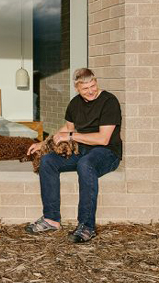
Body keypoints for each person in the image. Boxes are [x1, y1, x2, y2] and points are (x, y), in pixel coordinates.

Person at [25, 67, 122, 243]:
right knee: (48, 161)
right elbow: (67, 129)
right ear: (77, 88)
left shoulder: (109, 101)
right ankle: (51, 219)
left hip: (107, 153)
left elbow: (103, 138)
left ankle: (86, 226)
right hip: (82, 150)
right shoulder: (75, 104)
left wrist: (71, 136)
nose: (91, 91)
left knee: (85, 164)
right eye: (85, 88)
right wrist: (43, 143)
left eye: (93, 85)